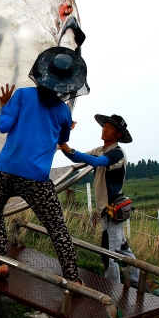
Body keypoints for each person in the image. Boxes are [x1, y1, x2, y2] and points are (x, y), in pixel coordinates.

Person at [0, 45, 88, 281]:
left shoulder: (22, 95)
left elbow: (4, 127)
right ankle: (72, 278)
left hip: (5, 170)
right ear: (68, 85)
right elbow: (62, 140)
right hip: (37, 179)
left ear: (43, 72)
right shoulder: (64, 112)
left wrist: (5, 106)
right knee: (57, 228)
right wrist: (64, 126)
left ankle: (0, 265)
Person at [59, 114, 140, 287]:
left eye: (110, 127)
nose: (105, 129)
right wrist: (64, 144)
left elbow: (97, 162)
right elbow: (78, 158)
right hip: (106, 210)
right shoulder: (100, 150)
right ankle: (137, 282)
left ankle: (112, 289)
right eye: (105, 126)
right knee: (122, 248)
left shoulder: (117, 154)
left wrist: (70, 150)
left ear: (118, 134)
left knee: (109, 254)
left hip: (112, 210)